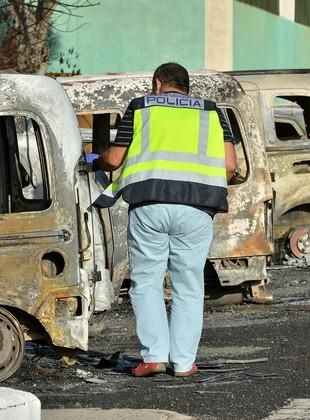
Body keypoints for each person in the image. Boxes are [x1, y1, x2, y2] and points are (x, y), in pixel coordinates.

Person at [90, 63, 237, 377]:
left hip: (150, 205)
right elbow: (230, 166)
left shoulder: (141, 107)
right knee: (189, 286)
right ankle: (184, 363)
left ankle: (154, 357)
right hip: (196, 210)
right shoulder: (213, 113)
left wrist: (95, 160)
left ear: (157, 83)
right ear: (186, 87)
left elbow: (114, 159)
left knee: (146, 283)